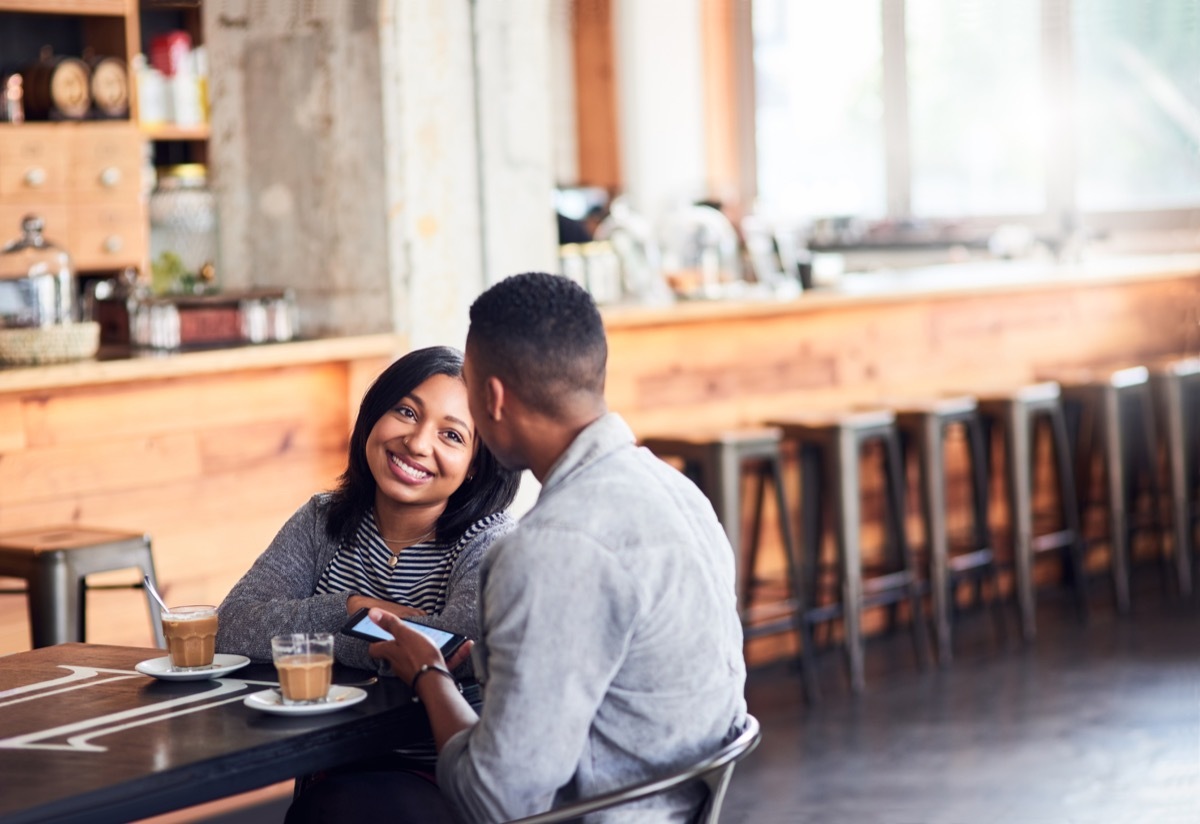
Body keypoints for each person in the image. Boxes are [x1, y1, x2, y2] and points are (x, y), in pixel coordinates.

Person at [343, 272, 748, 822]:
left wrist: (428, 672)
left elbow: (496, 801)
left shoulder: (550, 549)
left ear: (492, 397)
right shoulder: (678, 492)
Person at [216, 345, 521, 675]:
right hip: (308, 722)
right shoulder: (322, 518)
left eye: (451, 435)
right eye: (407, 412)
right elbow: (228, 628)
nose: (417, 444)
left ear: (474, 463)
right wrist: (349, 608)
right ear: (375, 415)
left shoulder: (491, 541)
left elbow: (453, 650)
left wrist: (323, 643)